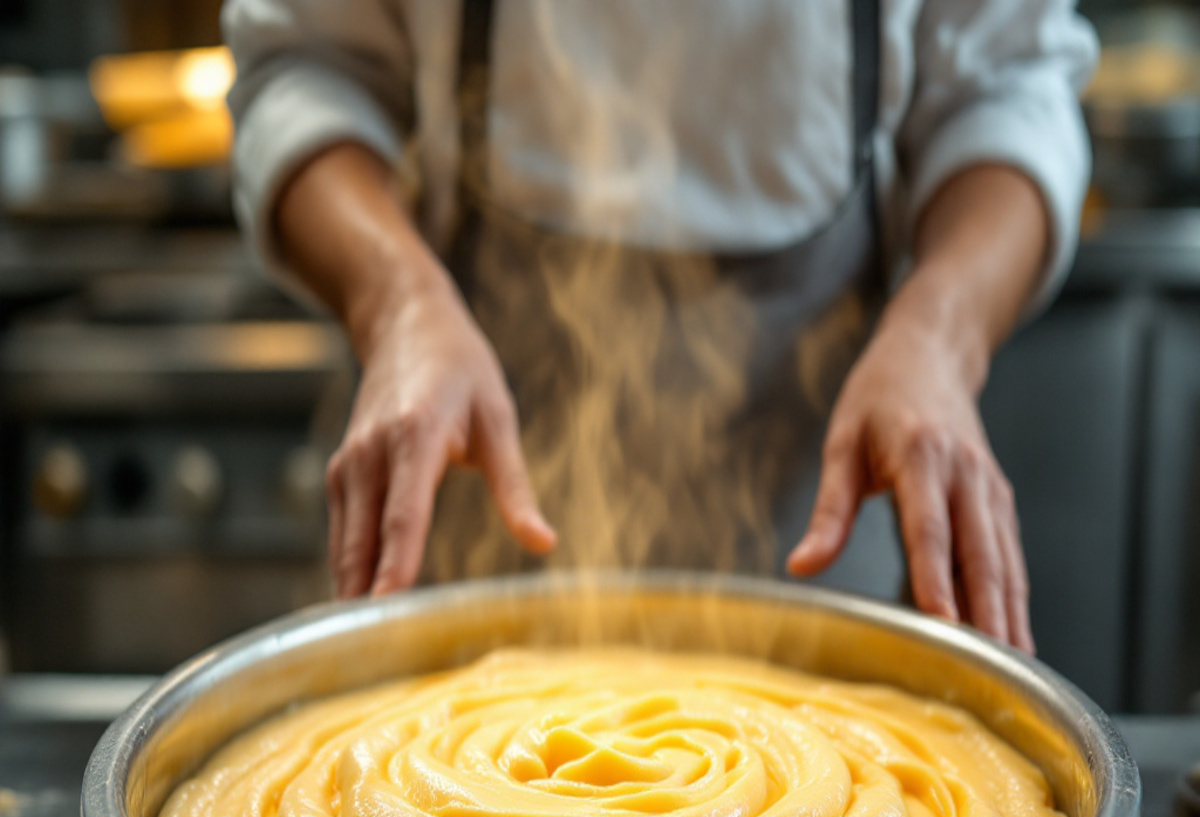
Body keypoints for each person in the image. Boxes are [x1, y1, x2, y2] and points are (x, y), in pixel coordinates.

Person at [222, 0, 1097, 653]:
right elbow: (305, 71)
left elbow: (1007, 92)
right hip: (464, 556)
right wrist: (397, 302)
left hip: (824, 574)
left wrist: (939, 336)